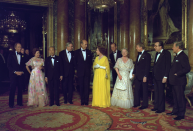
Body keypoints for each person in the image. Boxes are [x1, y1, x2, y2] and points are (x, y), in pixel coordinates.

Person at [167, 41, 190, 120]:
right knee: (175, 97)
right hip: (174, 81)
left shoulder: (183, 56)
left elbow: (187, 68)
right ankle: (175, 111)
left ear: (178, 47)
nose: (172, 48)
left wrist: (178, 73)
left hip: (179, 81)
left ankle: (181, 114)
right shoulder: (177, 55)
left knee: (180, 98)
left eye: (174, 46)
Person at [151, 41, 171, 113]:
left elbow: (168, 66)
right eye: (154, 46)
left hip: (162, 77)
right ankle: (156, 106)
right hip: (155, 76)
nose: (154, 47)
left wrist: (165, 76)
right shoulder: (156, 53)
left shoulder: (167, 53)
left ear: (160, 47)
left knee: (161, 93)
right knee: (156, 92)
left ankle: (161, 108)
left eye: (156, 46)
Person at [133, 43, 151, 110]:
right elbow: (136, 65)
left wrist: (145, 76)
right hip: (137, 76)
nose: (136, 48)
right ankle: (136, 103)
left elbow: (147, 66)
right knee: (136, 90)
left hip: (143, 76)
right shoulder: (138, 55)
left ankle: (145, 105)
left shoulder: (147, 55)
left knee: (144, 90)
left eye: (137, 47)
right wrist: (134, 72)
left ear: (141, 47)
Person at [74, 40, 92, 105]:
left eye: (87, 44)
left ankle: (86, 100)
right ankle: (82, 100)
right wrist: (77, 70)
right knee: (81, 86)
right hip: (80, 72)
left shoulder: (89, 52)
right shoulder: (76, 52)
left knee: (87, 87)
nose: (86, 46)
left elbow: (90, 62)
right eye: (85, 44)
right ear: (81, 44)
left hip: (87, 72)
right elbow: (75, 62)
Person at [7, 43, 25, 108]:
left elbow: (24, 65)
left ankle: (19, 102)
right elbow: (8, 65)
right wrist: (15, 72)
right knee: (12, 89)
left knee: (20, 89)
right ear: (15, 48)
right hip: (13, 75)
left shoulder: (23, 55)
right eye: (18, 47)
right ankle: (11, 104)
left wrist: (22, 72)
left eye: (20, 47)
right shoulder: (11, 55)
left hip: (20, 75)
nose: (20, 48)